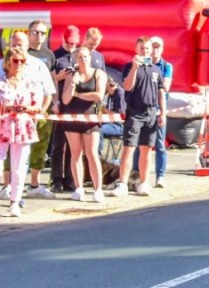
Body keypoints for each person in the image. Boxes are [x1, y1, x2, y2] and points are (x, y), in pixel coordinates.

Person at [111, 37, 166, 197]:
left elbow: (161, 91)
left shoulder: (156, 69)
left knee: (147, 149)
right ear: (136, 49)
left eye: (148, 49)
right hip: (134, 112)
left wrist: (162, 112)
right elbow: (127, 86)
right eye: (142, 48)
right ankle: (122, 183)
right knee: (129, 148)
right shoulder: (129, 66)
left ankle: (144, 182)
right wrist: (135, 67)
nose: (145, 51)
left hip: (151, 113)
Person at [3, 30, 53, 200]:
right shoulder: (1, 66)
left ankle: (31, 187)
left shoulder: (38, 65)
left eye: (21, 44)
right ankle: (6, 187)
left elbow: (48, 92)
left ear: (27, 45)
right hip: (4, 124)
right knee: (5, 159)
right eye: (14, 44)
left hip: (29, 121)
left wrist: (40, 111)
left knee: (28, 158)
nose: (17, 47)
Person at [0, 47, 46, 217]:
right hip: (3, 126)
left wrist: (27, 108)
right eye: (15, 61)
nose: (18, 64)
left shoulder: (29, 82)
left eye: (22, 61)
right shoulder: (1, 81)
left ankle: (14, 202)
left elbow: (37, 105)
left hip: (22, 126)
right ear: (7, 62)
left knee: (19, 167)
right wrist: (7, 107)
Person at [59, 45, 107, 203]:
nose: (83, 60)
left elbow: (99, 95)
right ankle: (78, 188)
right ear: (75, 60)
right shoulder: (72, 75)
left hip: (91, 118)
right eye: (80, 57)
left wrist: (79, 94)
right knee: (76, 153)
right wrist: (72, 85)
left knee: (92, 153)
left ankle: (98, 189)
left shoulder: (98, 74)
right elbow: (65, 100)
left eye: (86, 57)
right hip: (72, 117)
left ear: (91, 58)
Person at [49, 25, 82, 193]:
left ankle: (70, 178)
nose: (71, 46)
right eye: (69, 43)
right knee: (58, 144)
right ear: (63, 39)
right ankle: (56, 179)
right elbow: (48, 80)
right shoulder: (55, 56)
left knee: (73, 145)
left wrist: (97, 111)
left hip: (76, 105)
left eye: (74, 43)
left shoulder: (80, 56)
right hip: (60, 105)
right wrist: (58, 76)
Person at [146, 36, 173, 188]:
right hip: (145, 109)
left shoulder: (166, 66)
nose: (155, 50)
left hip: (159, 109)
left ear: (162, 49)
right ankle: (138, 174)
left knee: (160, 144)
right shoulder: (144, 64)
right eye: (153, 47)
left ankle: (160, 176)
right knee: (142, 144)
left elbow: (166, 87)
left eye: (158, 47)